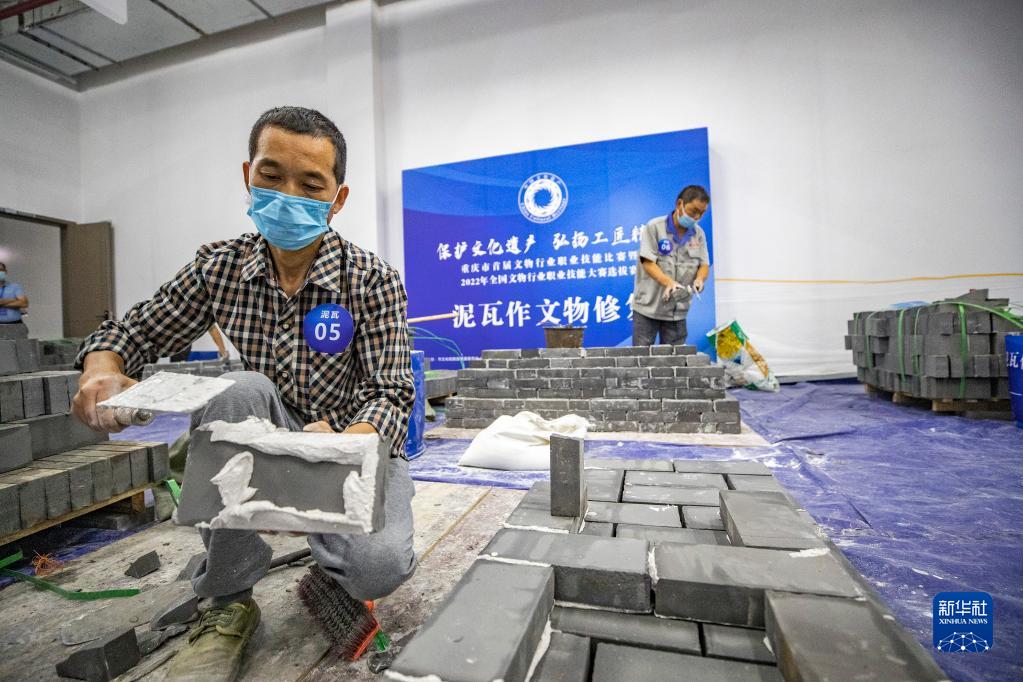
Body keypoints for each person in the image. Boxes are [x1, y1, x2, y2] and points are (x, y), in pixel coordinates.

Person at [71, 107, 416, 681]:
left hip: (351, 441)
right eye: (271, 176)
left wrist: (340, 448)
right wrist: (101, 370)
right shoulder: (220, 269)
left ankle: (331, 558)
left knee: (376, 568)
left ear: (338, 198)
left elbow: (391, 394)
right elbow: (129, 333)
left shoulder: (370, 280)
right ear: (247, 177)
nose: (287, 196)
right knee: (236, 390)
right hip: (269, 430)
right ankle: (228, 599)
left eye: (311, 185)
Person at [631, 185, 711, 346]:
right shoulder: (655, 227)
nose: (697, 217)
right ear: (680, 204)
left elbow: (704, 264)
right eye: (694, 211)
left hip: (677, 311)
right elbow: (647, 262)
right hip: (648, 308)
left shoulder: (699, 234)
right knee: (641, 356)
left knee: (676, 358)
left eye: (701, 213)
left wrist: (700, 280)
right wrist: (668, 282)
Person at [0, 262, 30, 333]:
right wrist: (15, 300)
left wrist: (1, 303)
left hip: (16, 324)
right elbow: (21, 301)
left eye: (1, 270)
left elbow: (24, 303)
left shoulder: (15, 287)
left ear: (5, 272)